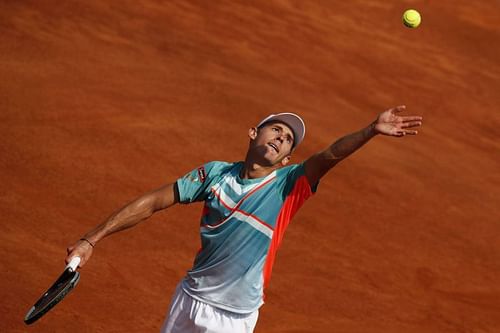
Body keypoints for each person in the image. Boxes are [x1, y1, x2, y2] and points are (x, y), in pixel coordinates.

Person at [66, 105, 422, 333]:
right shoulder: (214, 175)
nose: (281, 139)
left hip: (234, 318)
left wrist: (370, 131)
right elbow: (154, 201)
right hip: (190, 298)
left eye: (287, 141)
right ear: (254, 133)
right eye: (276, 130)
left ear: (286, 160)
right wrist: (91, 238)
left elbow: (328, 156)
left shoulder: (288, 185)